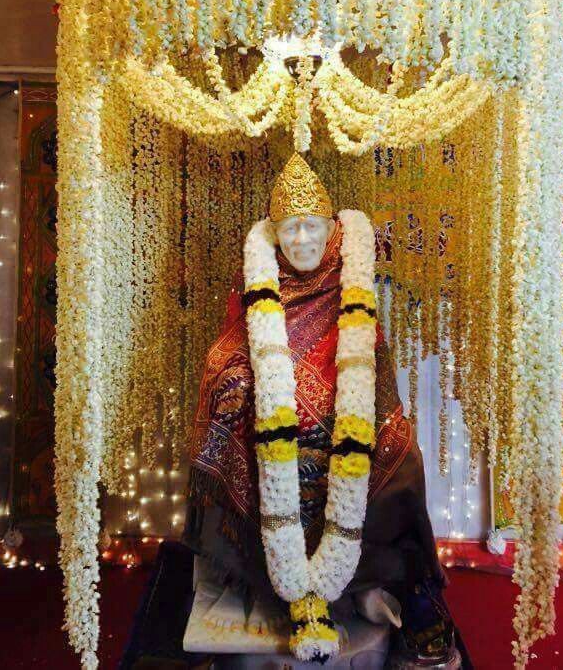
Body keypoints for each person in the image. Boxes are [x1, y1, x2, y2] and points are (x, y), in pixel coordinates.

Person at [183, 154, 467, 668]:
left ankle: (395, 584)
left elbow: (369, 347)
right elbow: (234, 337)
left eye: (310, 227)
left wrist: (374, 404)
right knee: (236, 407)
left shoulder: (350, 268)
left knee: (403, 455)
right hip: (276, 404)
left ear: (330, 228)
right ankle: (272, 580)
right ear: (274, 233)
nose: (301, 241)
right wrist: (236, 378)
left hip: (346, 396)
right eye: (289, 231)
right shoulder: (259, 272)